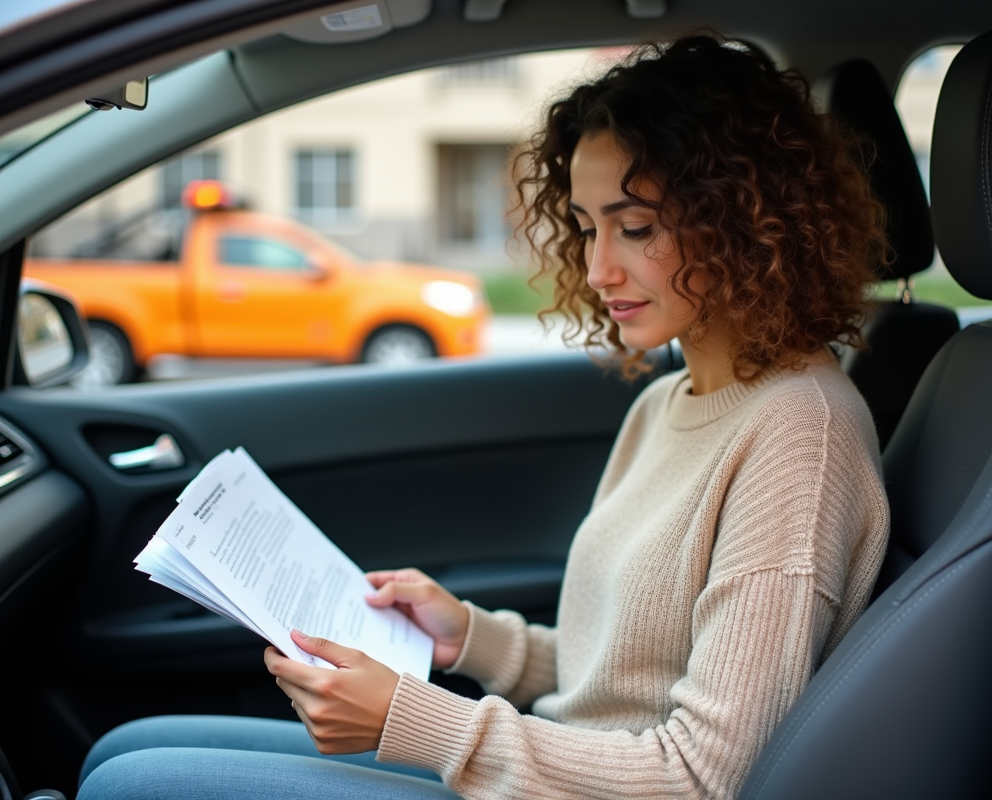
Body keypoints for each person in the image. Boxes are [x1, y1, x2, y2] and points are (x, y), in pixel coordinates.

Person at [77, 33, 891, 800]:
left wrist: (417, 724)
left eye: (635, 227)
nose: (599, 267)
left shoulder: (800, 434)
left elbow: (702, 777)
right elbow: (610, 681)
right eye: (584, 227)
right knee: (123, 748)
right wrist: (465, 636)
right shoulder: (667, 402)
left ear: (744, 221)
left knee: (125, 787)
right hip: (558, 770)